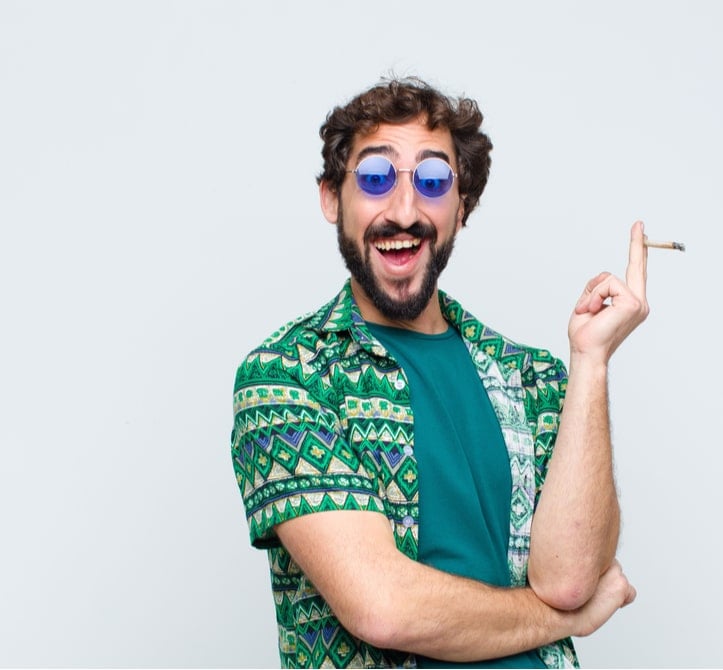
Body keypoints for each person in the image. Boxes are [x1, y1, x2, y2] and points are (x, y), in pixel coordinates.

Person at [230, 77, 649, 668]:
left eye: (432, 183)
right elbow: (383, 607)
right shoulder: (288, 377)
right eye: (375, 179)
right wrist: (567, 622)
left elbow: (572, 578)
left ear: (462, 206)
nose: (404, 211)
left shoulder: (533, 378)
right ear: (331, 198)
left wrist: (591, 362)